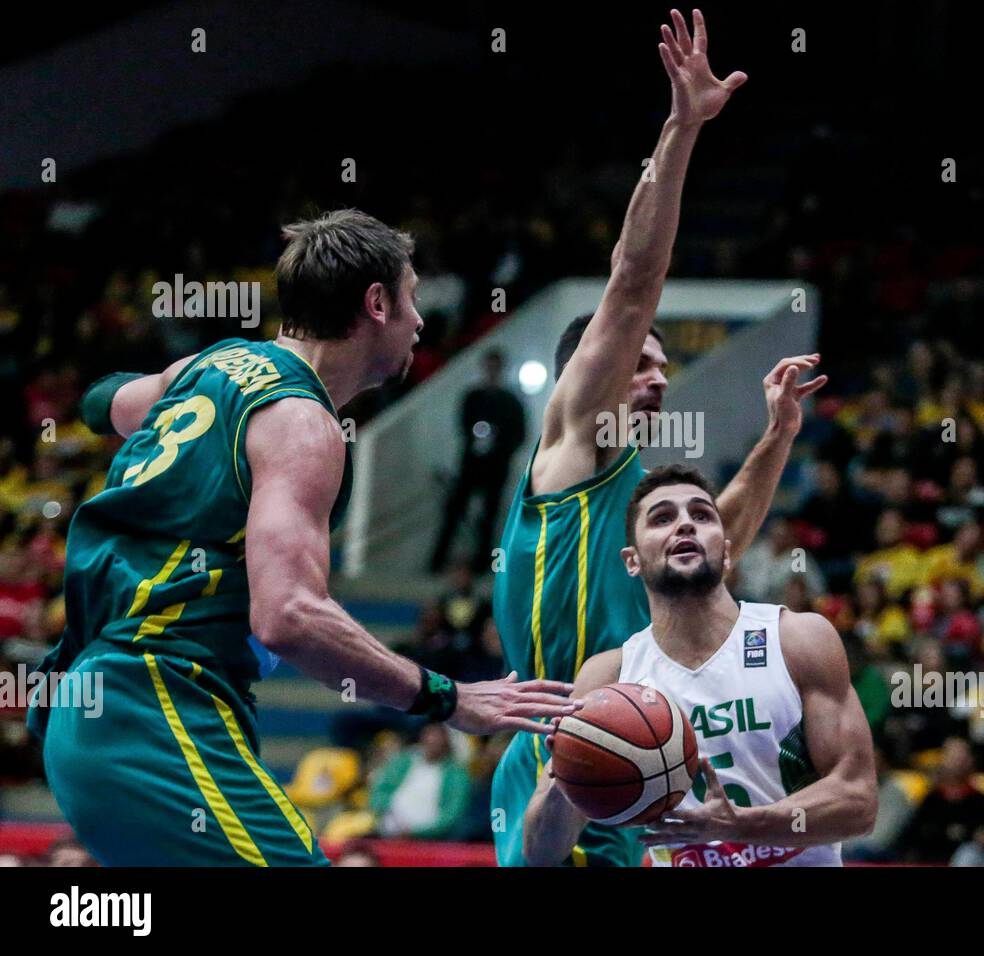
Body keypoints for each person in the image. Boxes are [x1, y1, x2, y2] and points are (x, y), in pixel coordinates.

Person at [26, 209, 575, 866]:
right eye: (412, 299)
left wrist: (105, 400)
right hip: (153, 705)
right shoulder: (303, 424)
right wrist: (448, 697)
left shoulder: (215, 364)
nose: (421, 322)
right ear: (376, 303)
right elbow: (288, 616)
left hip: (96, 710)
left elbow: (107, 404)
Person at [492, 10, 826, 868]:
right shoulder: (574, 447)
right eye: (640, 361)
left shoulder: (647, 501)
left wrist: (778, 436)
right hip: (570, 749)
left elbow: (729, 534)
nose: (657, 375)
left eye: (663, 365)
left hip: (658, 757)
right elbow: (634, 280)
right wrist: (682, 129)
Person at [522, 465, 877, 867]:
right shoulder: (608, 679)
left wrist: (741, 825)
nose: (685, 525)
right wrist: (565, 778)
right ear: (632, 561)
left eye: (702, 514)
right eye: (662, 518)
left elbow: (859, 801)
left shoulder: (797, 638)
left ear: (726, 551)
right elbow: (541, 852)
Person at [430, 349, 526, 573]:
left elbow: (519, 434)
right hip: (470, 467)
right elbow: (463, 427)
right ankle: (437, 561)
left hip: (495, 469)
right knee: (454, 513)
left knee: (488, 518)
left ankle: (482, 564)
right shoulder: (473, 397)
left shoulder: (510, 401)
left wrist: (499, 449)